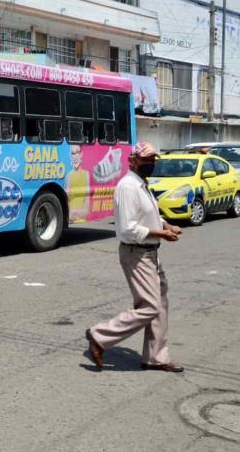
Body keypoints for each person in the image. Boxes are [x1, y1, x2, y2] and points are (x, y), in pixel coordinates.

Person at [85, 142, 184, 372]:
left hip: (151, 252)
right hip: (136, 253)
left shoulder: (141, 185)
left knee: (161, 304)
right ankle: (99, 336)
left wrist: (167, 224)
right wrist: (161, 233)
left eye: (153, 160)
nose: (151, 164)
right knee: (150, 306)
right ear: (133, 161)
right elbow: (128, 228)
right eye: (147, 160)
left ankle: (156, 357)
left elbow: (149, 217)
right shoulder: (128, 187)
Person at [66, 145, 90, 223]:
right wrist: (69, 215)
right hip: (70, 218)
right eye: (73, 153)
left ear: (81, 154)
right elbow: (66, 201)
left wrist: (74, 212)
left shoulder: (86, 175)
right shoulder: (69, 176)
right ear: (70, 156)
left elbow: (87, 210)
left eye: (77, 152)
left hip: (80, 219)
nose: (75, 156)